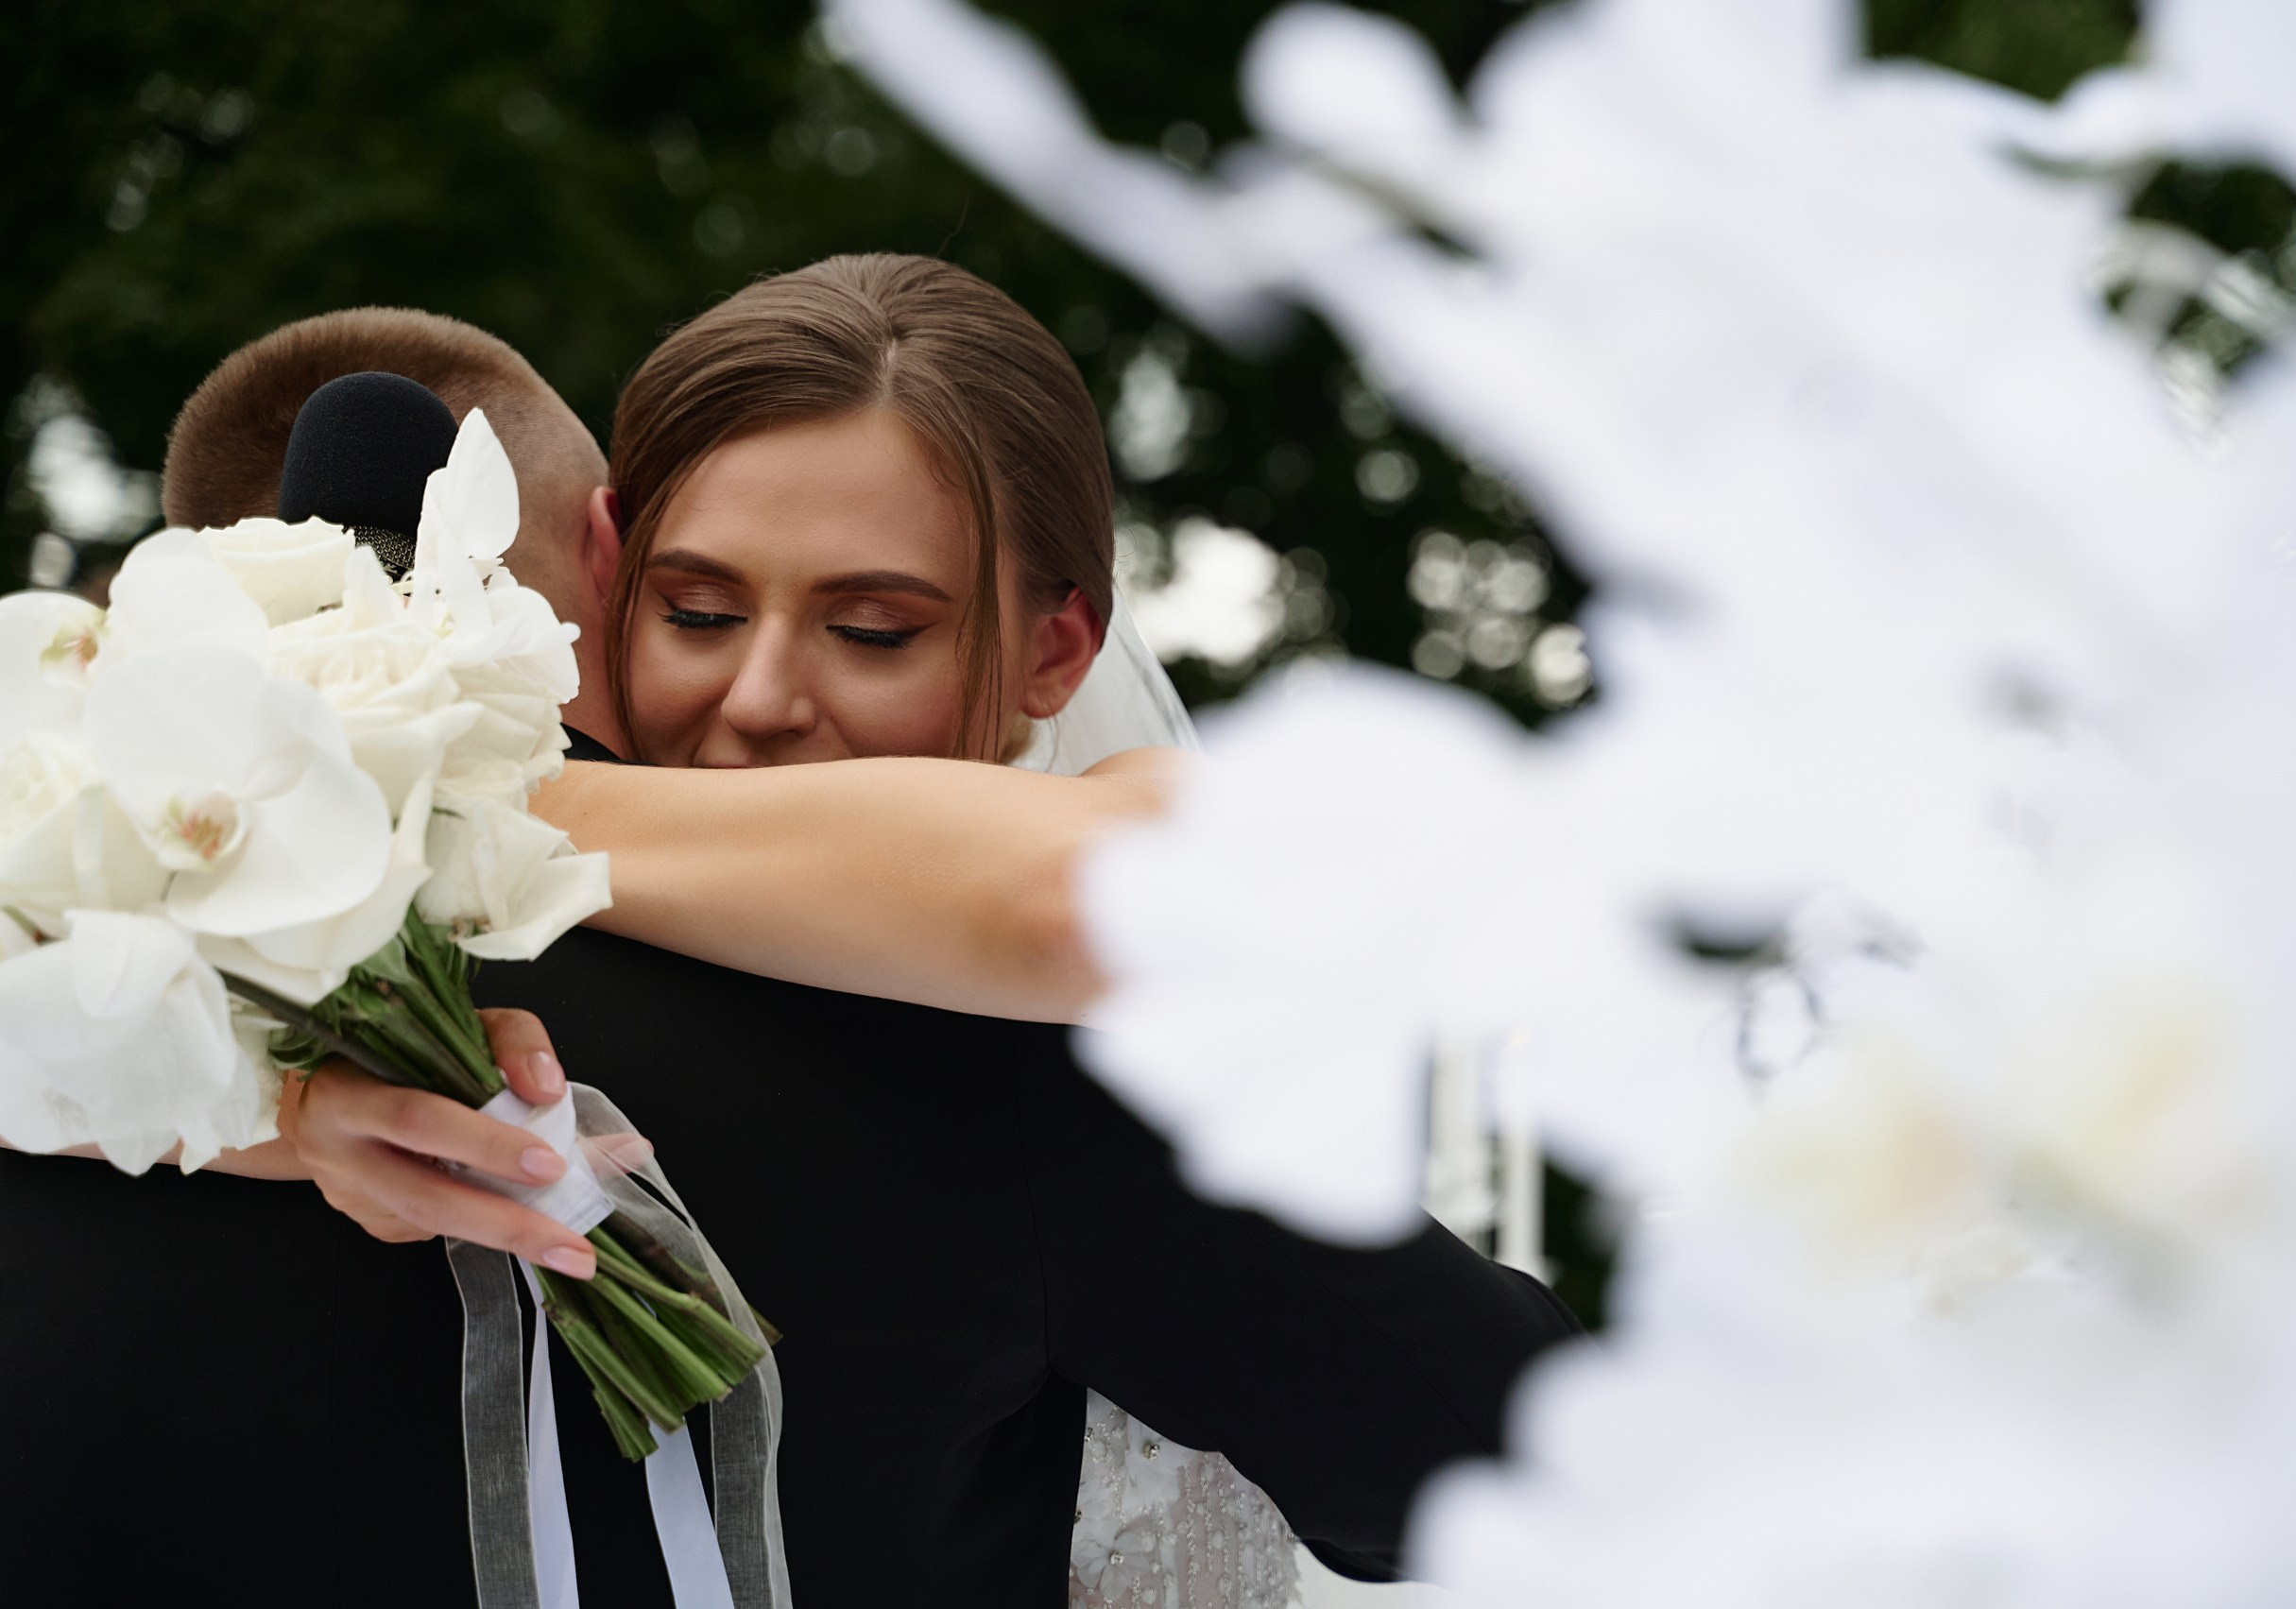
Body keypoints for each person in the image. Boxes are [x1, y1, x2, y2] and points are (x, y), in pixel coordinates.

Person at [8, 265, 1581, 1606]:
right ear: (607, 565)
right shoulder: (991, 1054)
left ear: (1060, 648)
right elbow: (1517, 1461)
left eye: (875, 629)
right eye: (698, 612)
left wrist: (425, 798)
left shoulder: (76, 986)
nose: (762, 699)